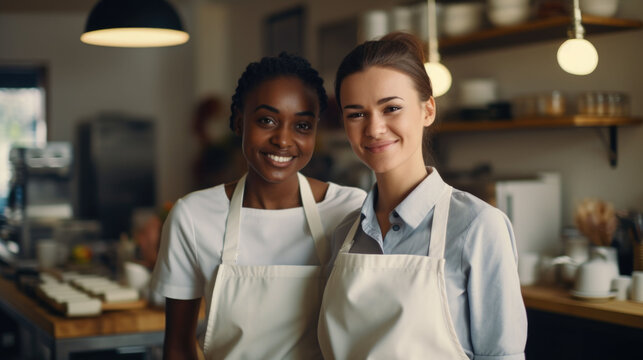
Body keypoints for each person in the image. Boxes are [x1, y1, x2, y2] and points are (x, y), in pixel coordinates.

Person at [317, 32, 527, 360]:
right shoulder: (344, 234)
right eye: (356, 114)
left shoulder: (478, 227)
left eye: (391, 108)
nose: (373, 128)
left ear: (427, 110)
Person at [151, 53, 366, 360]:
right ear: (239, 121)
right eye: (267, 120)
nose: (283, 139)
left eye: (302, 125)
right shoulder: (192, 216)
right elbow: (178, 349)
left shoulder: (350, 209)